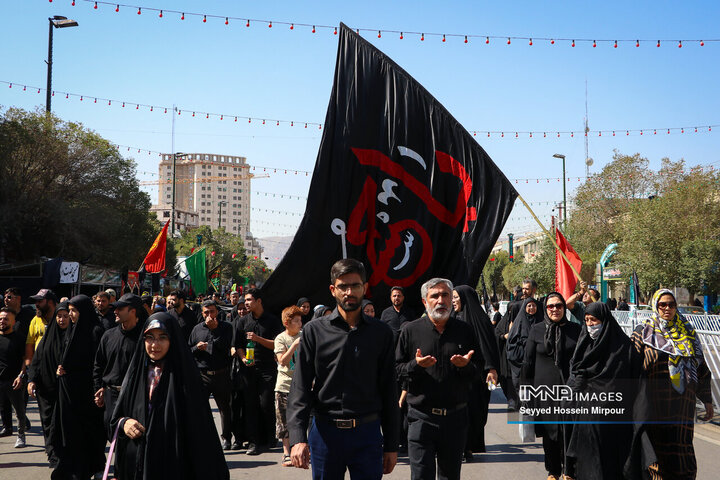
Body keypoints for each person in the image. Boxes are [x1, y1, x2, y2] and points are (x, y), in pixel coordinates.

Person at [287, 259, 399, 479]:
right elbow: (300, 387)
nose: (349, 291)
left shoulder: (381, 333)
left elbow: (389, 390)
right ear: (333, 290)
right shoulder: (314, 331)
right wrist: (298, 438)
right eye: (343, 286)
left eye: (355, 285)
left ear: (364, 288)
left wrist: (392, 444)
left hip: (367, 434)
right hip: (325, 433)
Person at [110, 313, 230, 480]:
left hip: (173, 463)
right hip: (137, 463)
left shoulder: (186, 378)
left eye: (162, 337)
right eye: (149, 337)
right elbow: (115, 417)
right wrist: (124, 422)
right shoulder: (135, 374)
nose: (154, 345)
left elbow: (201, 433)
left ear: (172, 340)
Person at [396, 279, 479, 480]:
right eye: (435, 296)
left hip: (455, 419)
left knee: (450, 476)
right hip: (421, 418)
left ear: (451, 299)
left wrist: (465, 366)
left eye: (445, 295)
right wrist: (416, 365)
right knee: (421, 475)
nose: (440, 300)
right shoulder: (410, 330)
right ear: (425, 301)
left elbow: (478, 373)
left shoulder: (465, 330)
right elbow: (397, 371)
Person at [630, 289, 714, 480]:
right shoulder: (643, 332)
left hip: (683, 406)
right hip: (654, 403)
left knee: (682, 451)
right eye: (663, 305)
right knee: (656, 452)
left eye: (672, 304)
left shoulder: (688, 332)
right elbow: (631, 367)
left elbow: (701, 367)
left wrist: (707, 400)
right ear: (655, 306)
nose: (667, 308)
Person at [565, 302, 639, 480]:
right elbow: (575, 371)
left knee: (611, 462)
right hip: (587, 415)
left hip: (614, 416)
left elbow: (633, 379)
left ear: (604, 321)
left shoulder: (623, 347)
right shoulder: (584, 344)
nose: (590, 324)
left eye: (594, 320)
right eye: (587, 320)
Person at [521, 293, 581, 480]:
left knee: (569, 430)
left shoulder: (576, 329)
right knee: (550, 433)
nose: (555, 309)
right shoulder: (537, 330)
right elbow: (528, 363)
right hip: (544, 391)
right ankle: (553, 470)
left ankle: (569, 470)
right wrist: (525, 392)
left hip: (570, 390)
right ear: (545, 309)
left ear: (564, 308)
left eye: (559, 306)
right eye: (550, 306)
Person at [51, 294, 106, 480]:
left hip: (87, 391)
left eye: (74, 311)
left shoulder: (96, 331)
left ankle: (94, 466)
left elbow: (97, 362)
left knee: (89, 431)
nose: (71, 315)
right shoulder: (72, 330)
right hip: (69, 390)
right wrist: (62, 366)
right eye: (70, 311)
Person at [452, 285, 500, 460]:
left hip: (480, 375)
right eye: (453, 297)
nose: (454, 301)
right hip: (458, 374)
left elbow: (488, 347)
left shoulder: (479, 320)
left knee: (477, 409)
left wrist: (492, 369)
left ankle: (471, 445)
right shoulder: (454, 317)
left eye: (456, 297)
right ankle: (463, 447)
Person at [235, 288, 284, 455]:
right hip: (248, 370)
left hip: (267, 368)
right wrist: (243, 359)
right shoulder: (242, 322)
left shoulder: (271, 321)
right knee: (250, 405)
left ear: (259, 301)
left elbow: (276, 344)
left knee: (266, 403)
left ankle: (269, 436)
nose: (246, 303)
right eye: (245, 300)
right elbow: (238, 346)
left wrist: (258, 339)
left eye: (249, 300)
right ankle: (253, 442)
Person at [92, 293, 147, 439]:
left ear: (133, 311)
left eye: (120, 309)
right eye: (115, 308)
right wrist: (99, 388)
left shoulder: (145, 339)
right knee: (112, 435)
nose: (115, 311)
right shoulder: (108, 336)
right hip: (111, 396)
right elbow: (99, 365)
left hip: (135, 396)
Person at [27, 300, 72, 467]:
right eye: (59, 316)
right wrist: (31, 380)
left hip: (66, 390)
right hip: (47, 389)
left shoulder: (73, 337)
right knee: (48, 423)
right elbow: (37, 360)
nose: (62, 320)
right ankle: (52, 454)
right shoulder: (48, 338)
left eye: (66, 316)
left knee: (63, 423)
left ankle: (65, 454)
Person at [189, 300, 234, 450]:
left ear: (217, 312)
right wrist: (197, 347)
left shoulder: (226, 327)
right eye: (206, 312)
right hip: (203, 374)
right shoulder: (197, 329)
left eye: (212, 312)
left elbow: (226, 348)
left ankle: (226, 438)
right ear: (202, 314)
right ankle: (202, 437)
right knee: (199, 408)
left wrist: (214, 331)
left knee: (225, 408)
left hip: (221, 373)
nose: (209, 315)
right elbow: (189, 349)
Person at [274, 305, 303, 467]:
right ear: (287, 323)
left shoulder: (304, 335)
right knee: (283, 421)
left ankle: (302, 448)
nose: (300, 324)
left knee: (301, 419)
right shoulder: (281, 338)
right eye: (296, 321)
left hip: (301, 385)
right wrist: (294, 345)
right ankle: (286, 453)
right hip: (284, 386)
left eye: (300, 320)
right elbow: (282, 361)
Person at [0, 307, 27, 448]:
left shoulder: (19, 339)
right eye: (0, 318)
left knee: (19, 411)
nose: (2, 321)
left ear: (13, 321)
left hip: (14, 380)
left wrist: (20, 376)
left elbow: (25, 359)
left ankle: (21, 435)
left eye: (6, 319)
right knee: (3, 408)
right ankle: (7, 428)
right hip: (0, 380)